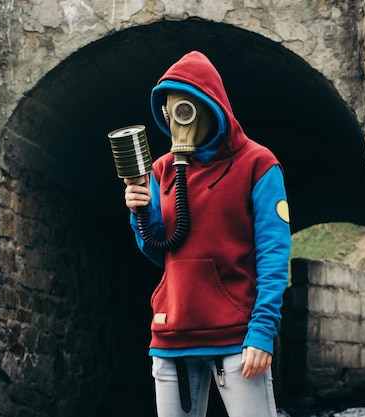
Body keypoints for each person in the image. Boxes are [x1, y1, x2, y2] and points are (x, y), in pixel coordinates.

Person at [123, 50, 291, 417]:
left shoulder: (258, 164)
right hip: (172, 338)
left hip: (236, 340)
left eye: (186, 108)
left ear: (210, 106)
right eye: (171, 111)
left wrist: (263, 332)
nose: (180, 120)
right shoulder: (162, 170)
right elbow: (160, 250)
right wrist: (140, 211)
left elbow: (274, 255)